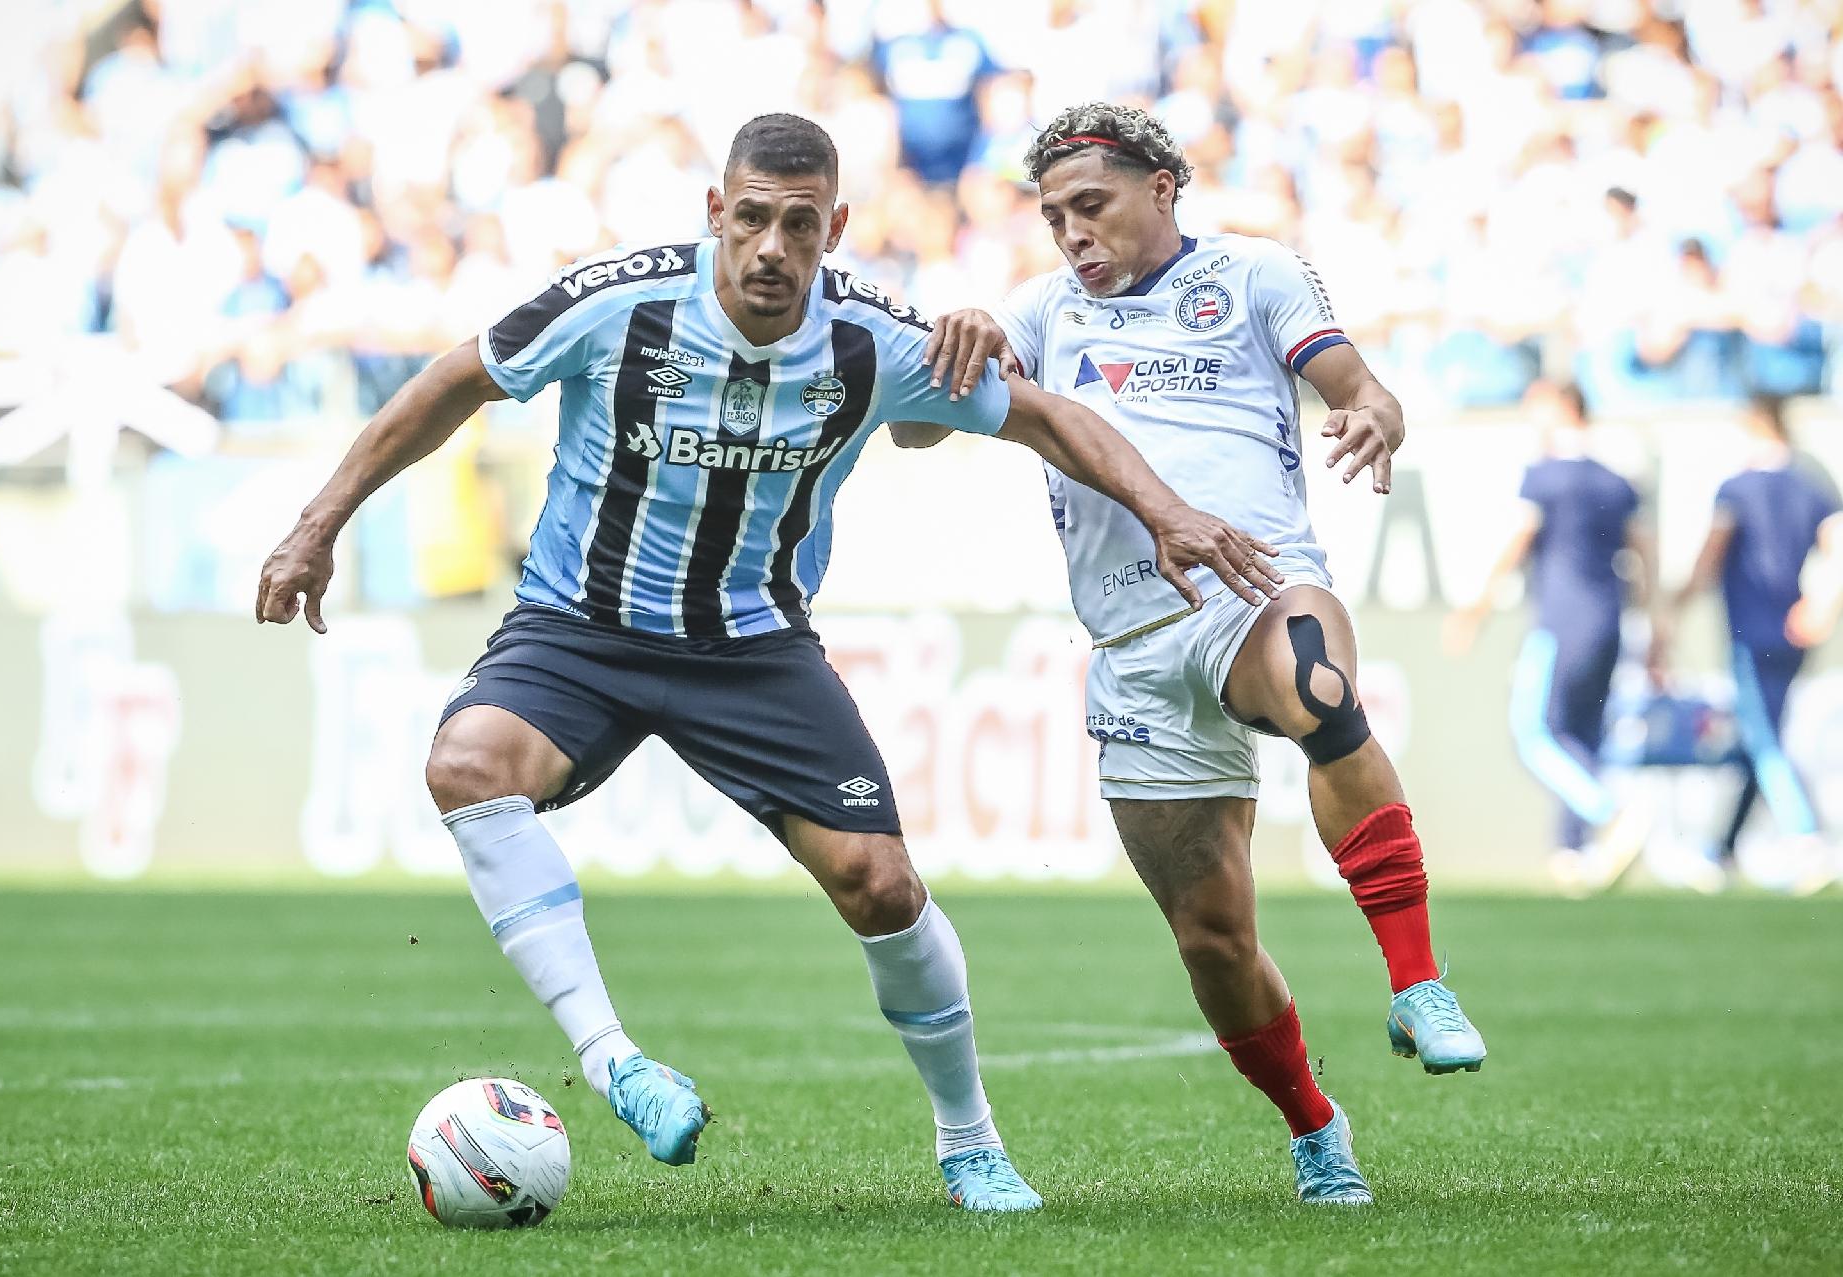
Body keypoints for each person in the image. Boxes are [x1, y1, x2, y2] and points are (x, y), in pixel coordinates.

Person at [255, 113, 1280, 1213]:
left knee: (880, 883)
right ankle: (617, 1063)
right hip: (581, 628)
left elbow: (1048, 419)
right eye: (751, 219)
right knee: (466, 764)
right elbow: (452, 382)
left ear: (833, 228)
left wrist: (1165, 510)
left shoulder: (870, 337)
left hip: (752, 647)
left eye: (800, 226)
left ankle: (969, 1139)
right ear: (716, 214)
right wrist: (317, 524)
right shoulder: (620, 302)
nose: (772, 250)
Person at [900, 102, 1489, 1206]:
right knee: (1214, 937)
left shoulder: (1256, 276)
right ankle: (1315, 1123)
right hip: (1130, 647)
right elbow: (916, 430)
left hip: (1254, 585)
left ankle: (1418, 982)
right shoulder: (1038, 311)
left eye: (1093, 205)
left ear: (1162, 187)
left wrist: (1376, 413)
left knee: (1321, 684)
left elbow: (1359, 385)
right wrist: (952, 352)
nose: (1073, 233)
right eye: (1055, 216)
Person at [1446, 380, 1655, 891]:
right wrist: (1656, 621)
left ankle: (1610, 814)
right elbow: (1644, 553)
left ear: (1564, 407)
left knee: (1534, 732)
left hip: (1560, 621)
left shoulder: (1545, 476)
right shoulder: (1616, 481)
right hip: (1610, 619)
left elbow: (1517, 541)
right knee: (1582, 734)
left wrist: (1476, 609)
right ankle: (1572, 853)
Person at [1660, 394, 1843, 887]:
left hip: (1750, 632)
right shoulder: (1812, 484)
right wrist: (1822, 603)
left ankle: (1807, 838)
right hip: (1797, 632)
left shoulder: (1737, 488)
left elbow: (1711, 552)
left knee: (1762, 738)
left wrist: (1673, 606)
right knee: (1760, 736)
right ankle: (1721, 849)